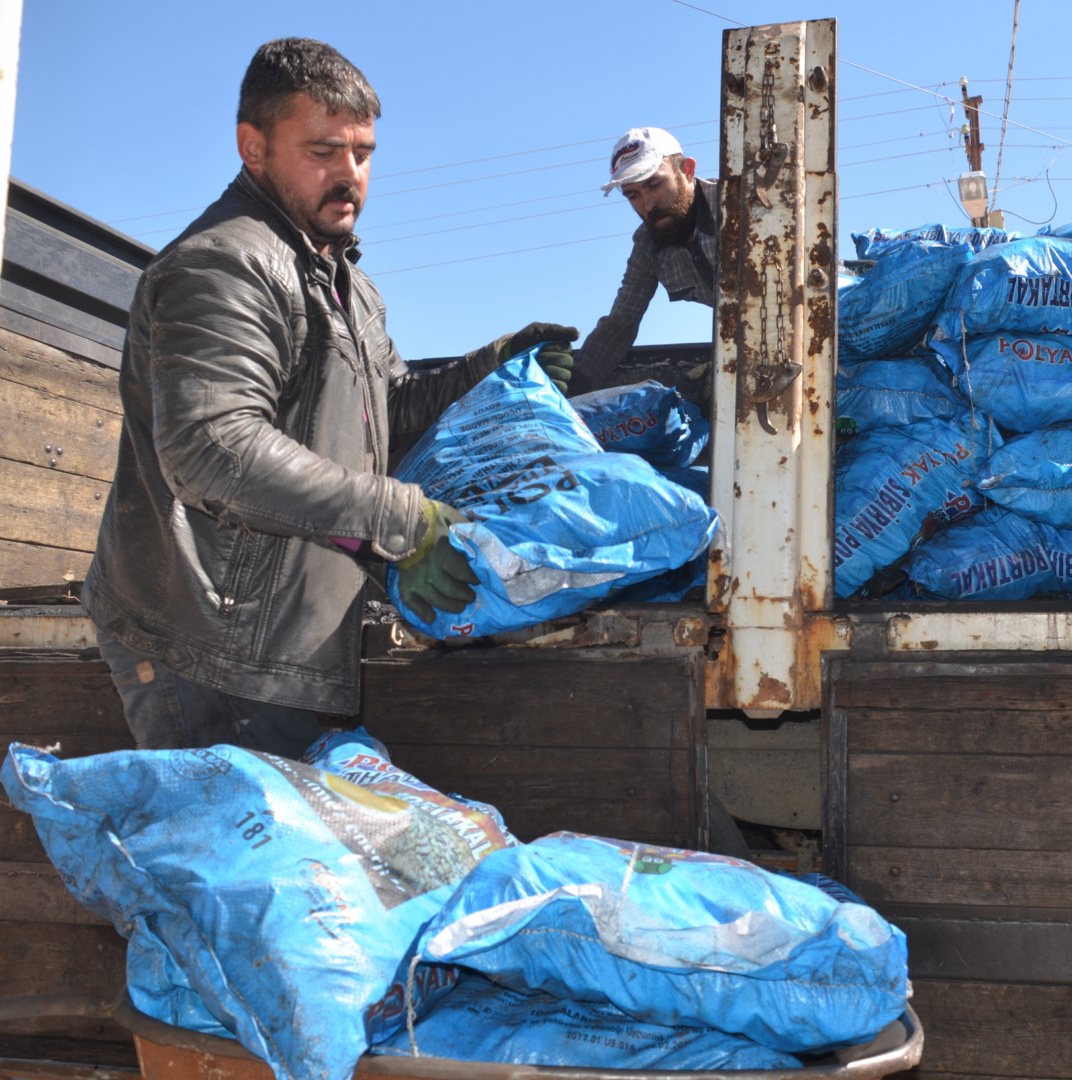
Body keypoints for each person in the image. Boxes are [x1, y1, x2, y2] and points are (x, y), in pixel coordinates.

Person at [82, 38, 577, 757]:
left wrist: (489, 367)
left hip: (281, 642)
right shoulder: (225, 263)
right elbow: (212, 449)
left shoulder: (347, 283)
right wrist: (402, 517)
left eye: (364, 153)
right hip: (207, 647)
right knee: (239, 864)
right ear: (253, 148)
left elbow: (388, 414)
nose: (350, 175)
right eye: (323, 151)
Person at [570, 126, 718, 396]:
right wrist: (568, 391)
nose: (648, 205)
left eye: (654, 185)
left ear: (687, 170)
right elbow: (621, 323)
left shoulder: (740, 207)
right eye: (633, 195)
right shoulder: (647, 245)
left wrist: (731, 359)